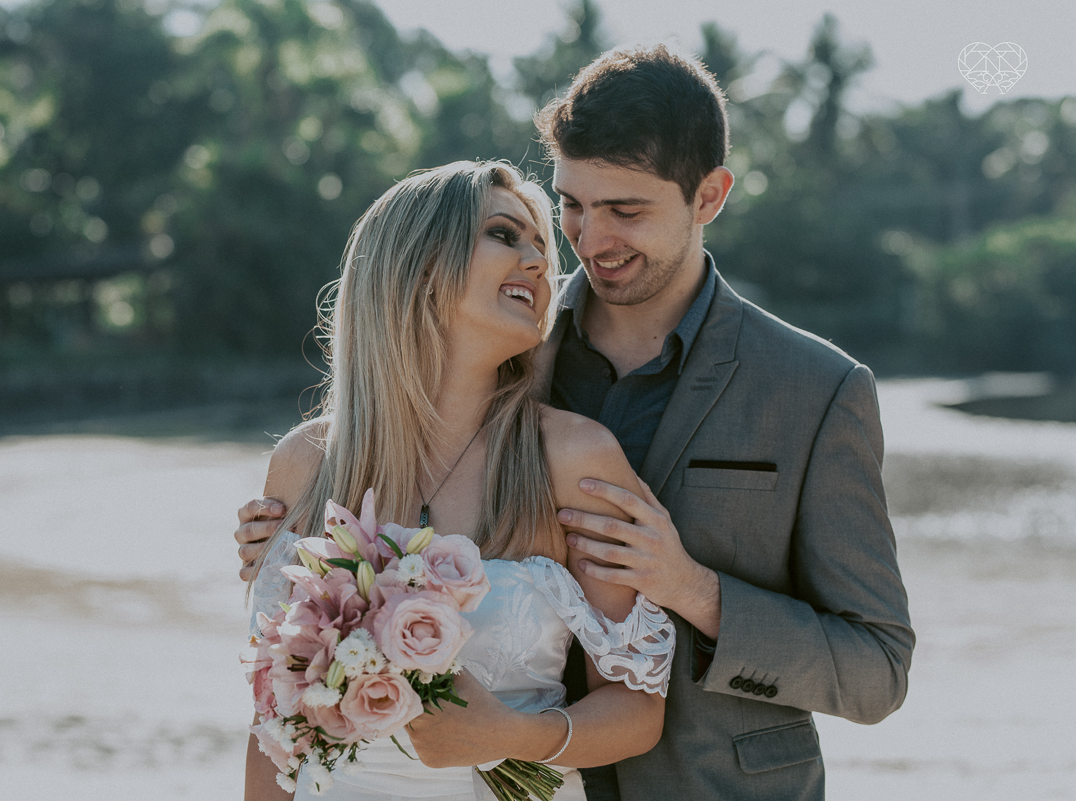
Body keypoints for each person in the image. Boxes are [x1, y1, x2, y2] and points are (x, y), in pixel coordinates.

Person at [237, 45, 914, 801]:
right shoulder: (505, 343)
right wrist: (289, 563)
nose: (586, 242)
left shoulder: (817, 390)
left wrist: (694, 589)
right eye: (572, 206)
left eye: (625, 210)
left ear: (709, 196)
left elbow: (876, 669)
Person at [243, 160, 677, 801]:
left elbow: (639, 709)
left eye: (540, 245)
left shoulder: (572, 458)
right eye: (505, 235)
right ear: (418, 266)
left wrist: (509, 738)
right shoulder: (306, 463)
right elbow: (272, 718)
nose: (537, 260)